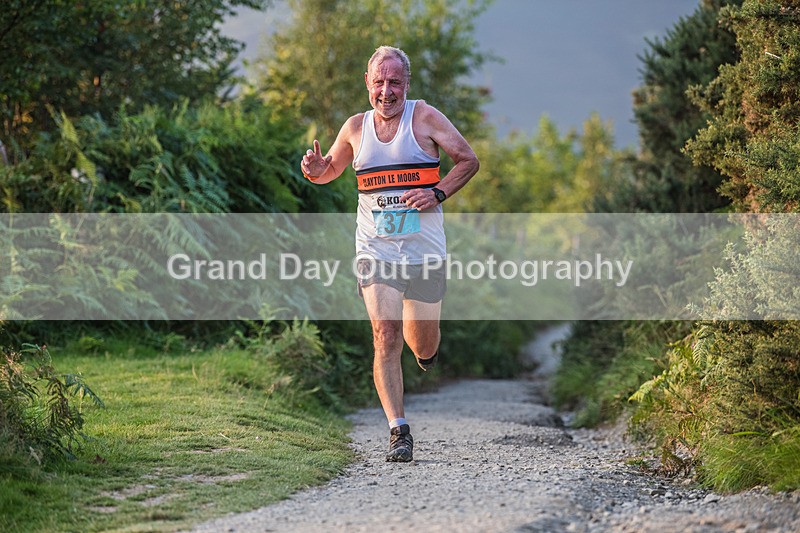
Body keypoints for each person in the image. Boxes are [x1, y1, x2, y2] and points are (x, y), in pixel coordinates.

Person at [300, 45, 479, 462]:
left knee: (421, 343)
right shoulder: (355, 128)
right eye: (378, 82)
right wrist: (314, 169)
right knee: (385, 336)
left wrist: (437, 192)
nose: (386, 91)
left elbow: (468, 160)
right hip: (375, 248)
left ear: (406, 84)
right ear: (367, 83)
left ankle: (429, 354)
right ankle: (398, 430)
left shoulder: (425, 118)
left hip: (424, 251)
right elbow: (329, 171)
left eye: (394, 82)